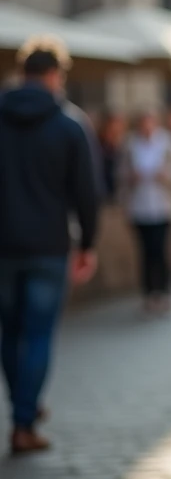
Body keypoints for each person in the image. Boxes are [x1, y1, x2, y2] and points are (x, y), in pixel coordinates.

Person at [0, 37, 99, 454]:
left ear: (23, 73)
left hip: (2, 247)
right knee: (38, 334)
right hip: (48, 247)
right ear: (56, 75)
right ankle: (24, 420)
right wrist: (88, 245)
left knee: (10, 331)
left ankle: (22, 406)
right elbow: (87, 193)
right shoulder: (69, 124)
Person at [118, 110, 171, 315]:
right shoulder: (130, 145)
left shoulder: (169, 142)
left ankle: (164, 290)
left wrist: (166, 175)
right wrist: (131, 177)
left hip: (164, 206)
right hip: (140, 207)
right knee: (146, 251)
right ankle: (149, 293)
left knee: (161, 249)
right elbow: (119, 174)